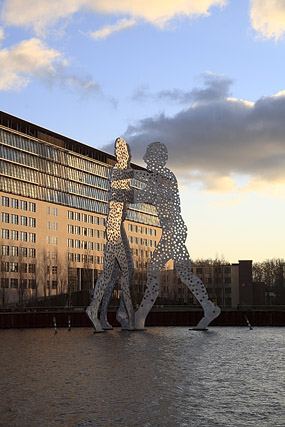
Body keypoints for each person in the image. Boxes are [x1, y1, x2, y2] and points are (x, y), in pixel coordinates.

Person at [133, 142, 221, 330]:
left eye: (150, 156)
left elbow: (141, 195)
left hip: (173, 232)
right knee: (183, 273)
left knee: (154, 272)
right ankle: (208, 307)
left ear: (158, 159)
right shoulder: (159, 179)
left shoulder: (165, 177)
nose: (146, 160)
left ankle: (141, 315)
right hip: (173, 231)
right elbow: (144, 191)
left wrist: (129, 176)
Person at [86, 138, 134, 332]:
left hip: (117, 225)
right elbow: (117, 205)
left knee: (111, 275)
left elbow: (125, 204)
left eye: (127, 153)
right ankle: (119, 314)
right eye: (123, 153)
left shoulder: (124, 174)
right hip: (114, 227)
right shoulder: (118, 173)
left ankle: (100, 314)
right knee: (127, 270)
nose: (126, 156)